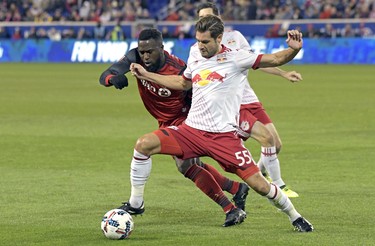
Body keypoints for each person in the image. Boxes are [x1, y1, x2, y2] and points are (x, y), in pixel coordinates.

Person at [129, 15, 313, 232]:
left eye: (206, 42)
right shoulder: (195, 54)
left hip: (224, 137)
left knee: (260, 185)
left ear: (219, 39)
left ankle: (295, 217)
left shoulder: (237, 58)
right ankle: (136, 203)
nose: (201, 46)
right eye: (198, 40)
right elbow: (182, 83)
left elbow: (275, 59)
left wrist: (293, 49)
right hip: (191, 130)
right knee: (143, 144)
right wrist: (147, 75)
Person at [99, 28, 250, 227]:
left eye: (150, 51)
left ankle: (230, 209)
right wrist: (113, 78)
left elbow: (200, 95)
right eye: (142, 52)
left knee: (183, 165)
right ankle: (236, 188)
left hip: (185, 119)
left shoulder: (178, 70)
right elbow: (107, 74)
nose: (145, 56)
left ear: (162, 48)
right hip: (164, 121)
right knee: (189, 166)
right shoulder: (135, 56)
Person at [196, 2, 300, 197]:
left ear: (218, 19)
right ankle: (279, 186)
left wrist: (283, 74)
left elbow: (256, 61)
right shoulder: (199, 48)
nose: (203, 21)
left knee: (276, 145)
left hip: (250, 98)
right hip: (232, 104)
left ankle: (259, 174)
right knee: (266, 139)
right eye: (201, 18)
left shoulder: (235, 38)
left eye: (207, 17)